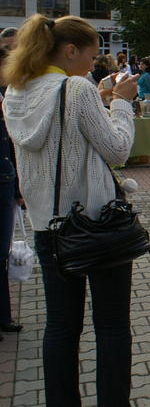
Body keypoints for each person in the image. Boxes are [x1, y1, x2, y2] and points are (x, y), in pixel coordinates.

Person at [2, 13, 138, 406]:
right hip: (98, 224)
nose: (95, 65)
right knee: (112, 325)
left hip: (50, 226)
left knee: (61, 326)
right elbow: (117, 149)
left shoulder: (17, 90)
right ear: (70, 50)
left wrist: (101, 98)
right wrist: (122, 104)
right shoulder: (75, 89)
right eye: (93, 57)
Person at [0, 45, 23, 339]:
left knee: (2, 254)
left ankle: (4, 315)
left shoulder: (7, 97)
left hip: (5, 182)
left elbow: (10, 148)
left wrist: (17, 188)